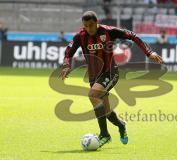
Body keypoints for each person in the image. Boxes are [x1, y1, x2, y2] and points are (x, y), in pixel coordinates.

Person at [59, 11, 163, 148]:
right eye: (86, 26)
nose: (88, 29)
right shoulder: (80, 36)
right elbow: (68, 51)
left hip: (110, 72)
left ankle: (104, 135)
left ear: (97, 22)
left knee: (92, 95)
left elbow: (133, 36)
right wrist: (66, 65)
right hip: (94, 76)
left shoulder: (108, 31)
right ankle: (121, 125)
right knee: (106, 112)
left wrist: (149, 52)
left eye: (91, 25)